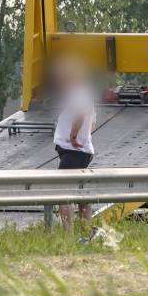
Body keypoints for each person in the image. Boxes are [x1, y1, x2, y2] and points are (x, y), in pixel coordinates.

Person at [51, 57, 97, 228]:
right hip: (79, 150)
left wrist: (73, 136)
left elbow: (80, 114)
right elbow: (93, 123)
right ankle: (85, 230)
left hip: (73, 150)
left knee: (64, 193)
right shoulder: (83, 94)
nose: (59, 79)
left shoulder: (78, 93)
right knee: (81, 193)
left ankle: (68, 235)